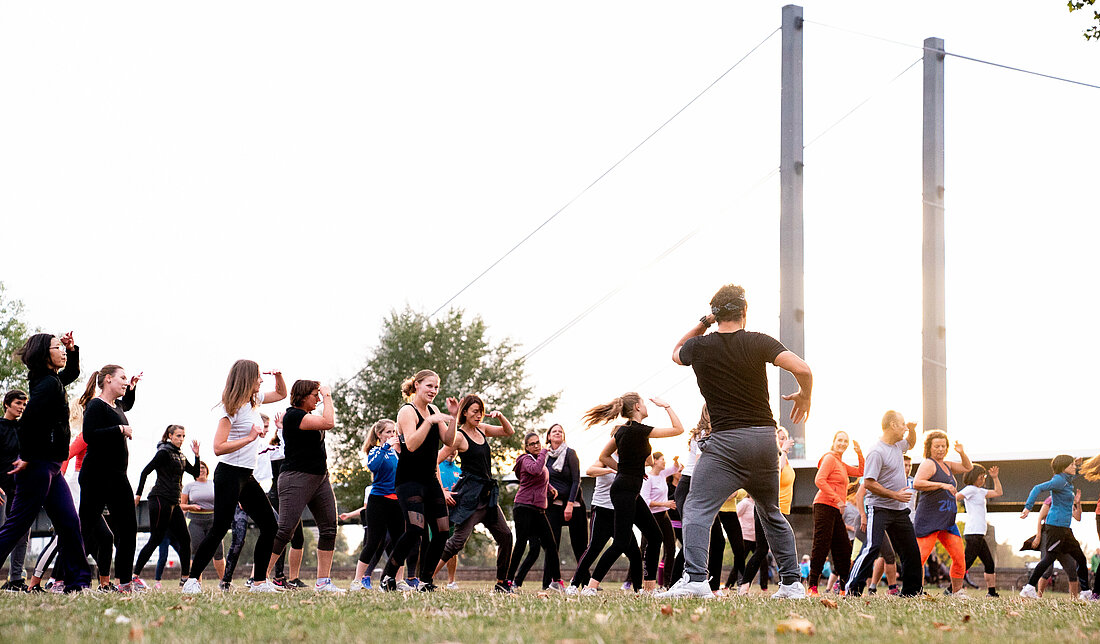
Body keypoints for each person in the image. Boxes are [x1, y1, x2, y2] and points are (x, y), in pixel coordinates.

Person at [659, 284, 812, 600]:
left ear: (715, 317)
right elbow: (803, 369)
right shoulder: (759, 342)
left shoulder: (699, 347)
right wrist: (805, 394)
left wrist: (704, 321)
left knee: (699, 507)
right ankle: (792, 584)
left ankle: (697, 580)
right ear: (745, 312)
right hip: (764, 441)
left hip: (727, 442)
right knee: (771, 512)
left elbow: (676, 351)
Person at [183, 360, 285, 593]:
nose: (261, 380)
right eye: (259, 376)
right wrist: (249, 438)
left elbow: (281, 393)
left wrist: (278, 375)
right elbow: (218, 447)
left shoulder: (254, 401)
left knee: (270, 525)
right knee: (220, 528)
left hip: (246, 476)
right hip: (229, 474)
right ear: (248, 378)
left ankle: (259, 582)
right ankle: (191, 581)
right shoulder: (231, 408)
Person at [0, 332, 90, 593]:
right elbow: (29, 420)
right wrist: (26, 457)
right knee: (17, 526)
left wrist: (73, 351)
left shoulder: (51, 380)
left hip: (51, 466)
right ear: (44, 354)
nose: (62, 351)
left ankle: (78, 583)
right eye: (58, 348)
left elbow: (71, 375)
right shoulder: (47, 384)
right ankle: (78, 581)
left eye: (63, 348)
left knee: (70, 523)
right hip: (38, 466)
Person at [582, 394, 684, 596]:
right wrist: (667, 405)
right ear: (637, 407)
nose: (647, 407)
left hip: (628, 489)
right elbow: (678, 429)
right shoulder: (639, 430)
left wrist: (626, 470)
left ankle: (649, 589)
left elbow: (604, 456)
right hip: (625, 491)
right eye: (644, 404)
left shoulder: (622, 431)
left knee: (655, 536)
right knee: (621, 542)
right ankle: (590, 587)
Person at [261, 380, 342, 592]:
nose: (317, 398)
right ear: (303, 396)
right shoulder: (294, 416)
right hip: (296, 477)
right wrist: (328, 396)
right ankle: (259, 578)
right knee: (285, 529)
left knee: (329, 528)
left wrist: (323, 398)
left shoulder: (306, 417)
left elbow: (323, 423)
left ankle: (323, 582)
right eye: (315, 395)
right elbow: (329, 422)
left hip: (319, 477)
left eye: (319, 395)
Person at [378, 370, 455, 592]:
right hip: (409, 480)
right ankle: (387, 576)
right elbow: (411, 444)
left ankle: (425, 581)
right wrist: (429, 421)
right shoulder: (407, 411)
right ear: (417, 385)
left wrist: (454, 416)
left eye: (437, 387)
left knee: (441, 531)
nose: (433, 391)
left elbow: (448, 441)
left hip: (430, 480)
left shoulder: (434, 410)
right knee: (414, 529)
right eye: (429, 386)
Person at [434, 395, 515, 594]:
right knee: (456, 542)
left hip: (488, 495)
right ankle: (424, 579)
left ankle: (502, 583)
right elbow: (434, 460)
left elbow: (508, 431)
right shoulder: (459, 437)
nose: (478, 415)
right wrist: (441, 490)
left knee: (505, 536)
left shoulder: (483, 429)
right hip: (470, 496)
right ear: (465, 412)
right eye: (474, 411)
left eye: (481, 411)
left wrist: (500, 416)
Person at [77, 364, 142, 592]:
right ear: (107, 380)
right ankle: (64, 579)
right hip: (96, 476)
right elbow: (89, 436)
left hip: (118, 477)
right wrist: (119, 430)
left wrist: (132, 387)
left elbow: (128, 404)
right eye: (122, 378)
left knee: (128, 529)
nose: (125, 382)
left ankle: (124, 583)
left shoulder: (118, 405)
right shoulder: (96, 405)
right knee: (85, 530)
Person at [845, 411, 922, 597]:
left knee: (911, 550)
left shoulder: (897, 445)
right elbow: (869, 483)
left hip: (899, 510)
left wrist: (911, 430)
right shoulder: (876, 452)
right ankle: (852, 589)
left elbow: (911, 443)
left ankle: (912, 592)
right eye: (903, 424)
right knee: (872, 546)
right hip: (878, 508)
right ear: (893, 425)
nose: (904, 428)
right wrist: (894, 495)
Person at [131, 425, 201, 587]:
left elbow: (195, 473)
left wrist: (197, 455)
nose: (181, 439)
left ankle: (186, 579)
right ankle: (134, 576)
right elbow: (145, 471)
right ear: (170, 436)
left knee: (185, 538)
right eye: (178, 436)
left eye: (183, 436)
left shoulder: (180, 455)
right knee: (156, 539)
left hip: (174, 501)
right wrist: (138, 495)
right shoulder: (164, 452)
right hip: (160, 499)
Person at [1019, 455, 1092, 599]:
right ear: (1063, 467)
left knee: (1081, 558)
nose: (1074, 467)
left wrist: (1077, 465)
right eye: (1071, 465)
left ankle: (1086, 592)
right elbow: (1037, 488)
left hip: (1065, 529)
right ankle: (1028, 588)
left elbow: (1073, 476)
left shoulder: (1066, 480)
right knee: (1049, 559)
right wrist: (1028, 507)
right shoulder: (1058, 480)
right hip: (1055, 527)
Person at [912, 431, 972, 595]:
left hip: (947, 521)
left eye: (943, 446)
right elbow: (917, 483)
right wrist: (942, 485)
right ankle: (916, 590)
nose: (940, 449)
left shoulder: (947, 464)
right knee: (920, 558)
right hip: (929, 520)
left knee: (960, 558)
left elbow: (968, 467)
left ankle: (957, 592)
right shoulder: (929, 464)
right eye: (937, 446)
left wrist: (961, 453)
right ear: (929, 448)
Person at [738, 427, 797, 596]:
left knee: (777, 549)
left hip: (781, 510)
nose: (782, 440)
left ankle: (786, 584)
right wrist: (783, 451)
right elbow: (776, 474)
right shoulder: (773, 459)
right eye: (779, 438)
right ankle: (744, 586)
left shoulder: (785, 460)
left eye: (784, 437)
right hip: (766, 508)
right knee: (762, 549)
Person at [346, 419, 402, 590]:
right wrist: (386, 447)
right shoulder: (376, 451)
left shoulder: (396, 453)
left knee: (400, 542)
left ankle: (397, 581)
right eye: (388, 432)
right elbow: (373, 466)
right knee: (373, 542)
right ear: (379, 435)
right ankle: (357, 580)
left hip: (396, 502)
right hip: (378, 501)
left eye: (394, 432)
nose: (392, 435)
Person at [807, 431, 863, 595]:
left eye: (845, 441)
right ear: (834, 441)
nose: (843, 443)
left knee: (844, 548)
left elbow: (861, 471)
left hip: (835, 509)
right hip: (824, 505)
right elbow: (819, 480)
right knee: (821, 545)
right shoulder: (830, 458)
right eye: (840, 440)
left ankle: (845, 588)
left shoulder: (840, 463)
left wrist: (859, 452)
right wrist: (837, 499)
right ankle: (812, 587)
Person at [507, 431, 565, 591]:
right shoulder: (526, 459)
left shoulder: (537, 459)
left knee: (551, 545)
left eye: (538, 443)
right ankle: (509, 581)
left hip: (538, 509)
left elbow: (540, 479)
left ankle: (556, 581)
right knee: (520, 544)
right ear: (526, 447)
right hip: (524, 507)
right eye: (532, 444)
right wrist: (545, 453)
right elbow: (535, 471)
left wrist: (551, 488)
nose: (537, 446)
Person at [544, 424, 588, 574]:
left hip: (573, 504)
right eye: (554, 431)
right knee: (551, 543)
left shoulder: (570, 453)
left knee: (580, 544)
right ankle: (550, 581)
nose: (557, 433)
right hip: (553, 505)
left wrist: (569, 505)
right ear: (549, 436)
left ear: (563, 436)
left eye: (560, 431)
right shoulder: (544, 456)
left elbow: (576, 480)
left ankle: (585, 580)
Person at [956, 464, 1002, 597]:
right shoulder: (970, 489)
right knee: (966, 563)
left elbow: (998, 492)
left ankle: (991, 593)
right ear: (974, 477)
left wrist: (995, 478)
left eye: (984, 477)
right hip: (973, 532)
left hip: (979, 533)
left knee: (989, 563)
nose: (982, 480)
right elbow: (956, 497)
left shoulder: (980, 491)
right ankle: (951, 588)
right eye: (981, 477)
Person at [0, 390, 30, 592]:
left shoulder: (24, 429)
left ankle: (16, 578)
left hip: (20, 488)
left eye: (24, 404)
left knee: (23, 534)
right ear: (7, 404)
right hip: (0, 489)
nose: (21, 407)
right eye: (18, 403)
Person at [181, 462, 225, 583]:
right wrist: (191, 507)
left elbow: (223, 499)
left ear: (207, 470)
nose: (201, 470)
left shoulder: (214, 483)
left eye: (203, 467)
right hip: (195, 520)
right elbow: (181, 505)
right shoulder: (189, 486)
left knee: (218, 551)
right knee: (196, 551)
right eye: (198, 468)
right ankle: (196, 582)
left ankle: (224, 582)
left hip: (213, 520)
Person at [640, 451, 678, 588]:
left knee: (671, 548)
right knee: (645, 549)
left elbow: (675, 468)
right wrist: (665, 503)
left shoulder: (662, 474)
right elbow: (645, 501)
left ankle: (667, 584)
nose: (664, 462)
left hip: (664, 516)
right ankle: (641, 581)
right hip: (651, 516)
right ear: (655, 461)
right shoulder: (647, 478)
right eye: (662, 459)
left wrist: (676, 461)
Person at [437, 450, 462, 587]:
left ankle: (451, 581)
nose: (452, 452)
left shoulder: (459, 471)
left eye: (455, 449)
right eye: (450, 449)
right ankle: (426, 577)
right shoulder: (437, 467)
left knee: (452, 548)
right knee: (433, 544)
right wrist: (443, 492)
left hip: (454, 513)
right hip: (437, 511)